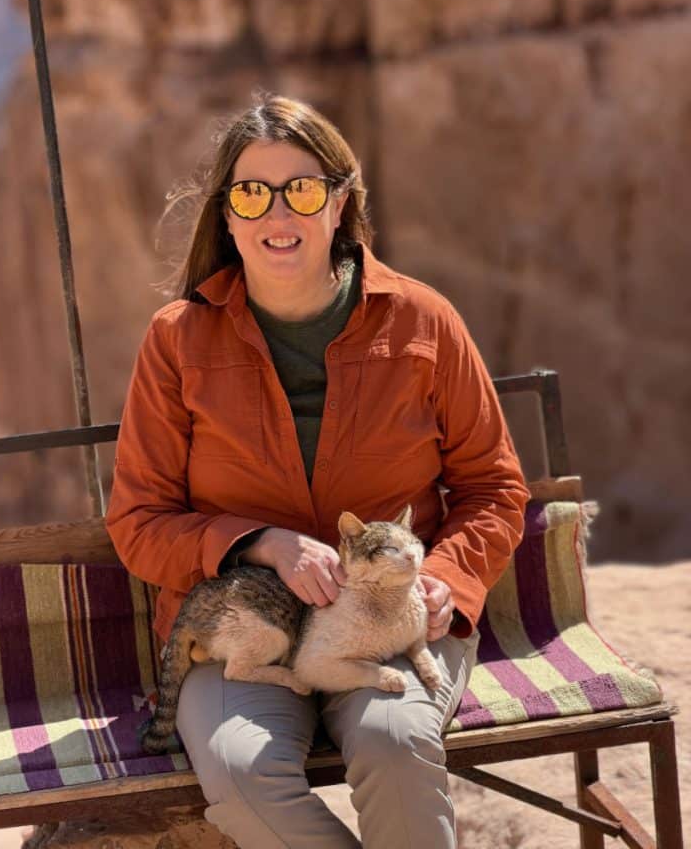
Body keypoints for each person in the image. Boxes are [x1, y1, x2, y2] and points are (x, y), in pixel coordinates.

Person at [106, 94, 529, 849]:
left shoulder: (424, 322)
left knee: (397, 747)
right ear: (227, 217)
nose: (279, 213)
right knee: (240, 774)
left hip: (387, 628)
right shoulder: (177, 341)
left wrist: (448, 579)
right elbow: (138, 523)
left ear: (341, 203)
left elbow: (494, 488)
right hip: (245, 630)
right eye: (251, 193)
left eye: (302, 189)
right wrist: (261, 542)